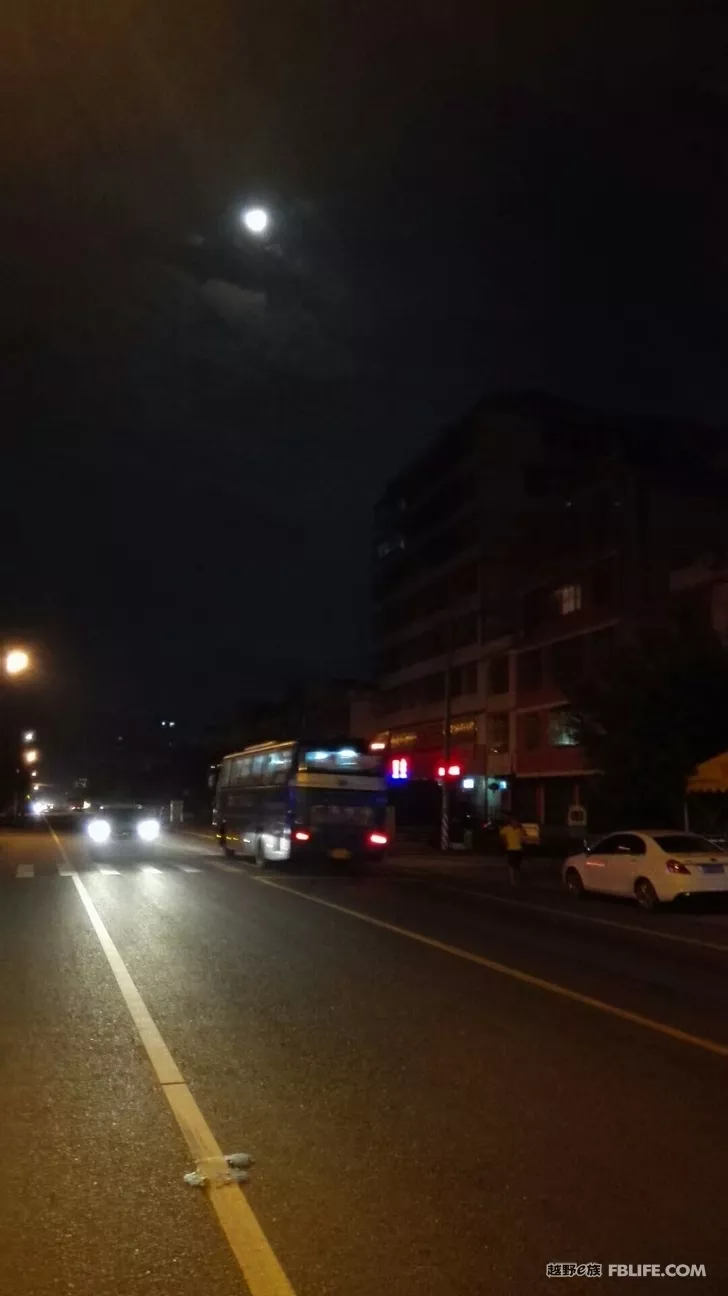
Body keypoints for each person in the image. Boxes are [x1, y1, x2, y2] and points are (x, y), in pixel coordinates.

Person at [499, 815, 525, 886]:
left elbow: (522, 838)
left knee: (517, 866)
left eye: (516, 821)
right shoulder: (507, 828)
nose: (514, 823)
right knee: (511, 865)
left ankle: (517, 880)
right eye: (513, 821)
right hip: (510, 849)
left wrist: (521, 829)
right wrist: (505, 841)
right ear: (511, 822)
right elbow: (501, 834)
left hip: (518, 850)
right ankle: (512, 880)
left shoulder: (519, 830)